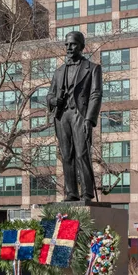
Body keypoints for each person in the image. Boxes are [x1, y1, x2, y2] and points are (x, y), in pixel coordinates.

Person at [46, 31, 102, 201]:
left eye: (73, 44)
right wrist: (55, 100)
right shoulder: (59, 71)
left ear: (82, 46)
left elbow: (96, 94)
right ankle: (71, 193)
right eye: (67, 44)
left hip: (80, 114)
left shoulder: (92, 68)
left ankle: (87, 193)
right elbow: (49, 96)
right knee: (66, 155)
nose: (69, 48)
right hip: (62, 115)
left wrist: (89, 119)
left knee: (82, 154)